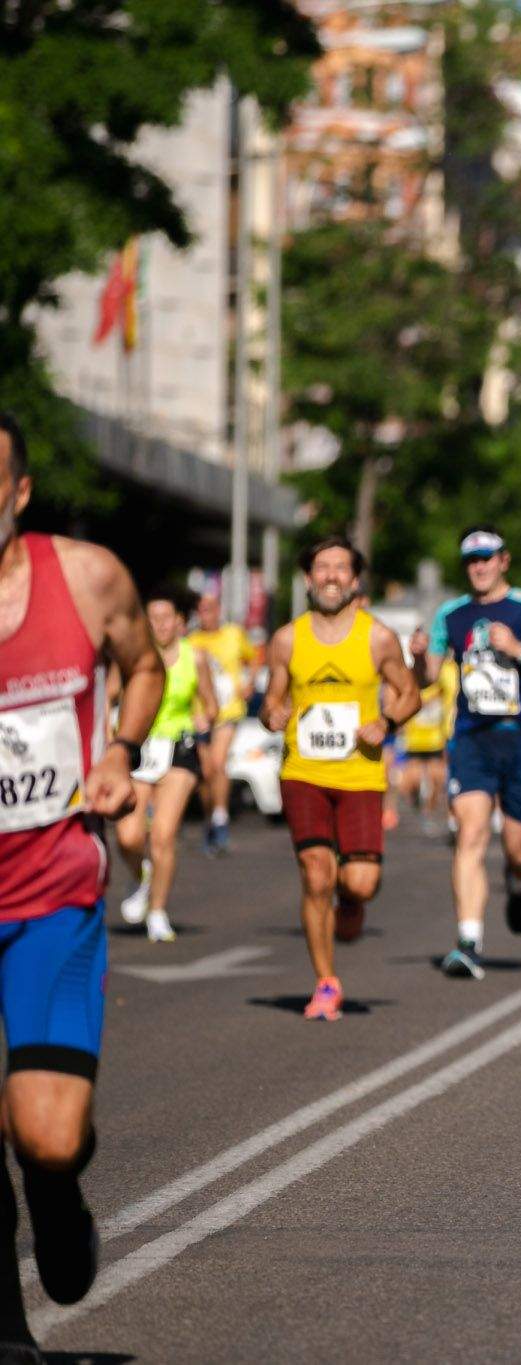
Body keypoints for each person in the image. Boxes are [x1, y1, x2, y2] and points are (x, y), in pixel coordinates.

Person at [0, 413, 165, 1352]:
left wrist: (120, 748)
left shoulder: (88, 576)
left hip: (52, 894)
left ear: (19, 493)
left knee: (48, 1137)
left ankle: (58, 1202)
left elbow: (144, 666)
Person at [261, 536, 419, 1020]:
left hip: (360, 774)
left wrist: (387, 723)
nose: (331, 576)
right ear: (308, 579)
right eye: (321, 568)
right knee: (315, 873)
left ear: (355, 579)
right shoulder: (288, 638)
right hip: (303, 771)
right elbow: (273, 700)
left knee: (361, 882)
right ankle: (326, 982)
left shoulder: (378, 637)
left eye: (340, 568)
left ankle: (352, 903)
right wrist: (274, 713)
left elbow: (409, 693)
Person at [422, 526, 521, 979]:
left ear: (504, 561)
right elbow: (428, 675)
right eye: (471, 561)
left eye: (487, 558)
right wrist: (415, 656)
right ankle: (468, 941)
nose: (479, 567)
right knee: (470, 834)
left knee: (518, 847)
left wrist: (518, 650)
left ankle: (519, 880)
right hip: (471, 738)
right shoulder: (451, 614)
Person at [115, 590, 220, 943]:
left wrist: (206, 718)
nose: (159, 625)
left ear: (180, 621)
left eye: (166, 617)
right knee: (128, 835)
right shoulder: (133, 657)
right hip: (140, 747)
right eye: (152, 618)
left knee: (162, 833)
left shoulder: (196, 657)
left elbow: (211, 704)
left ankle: (157, 911)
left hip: (179, 748)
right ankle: (141, 875)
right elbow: (109, 694)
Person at [186, 590, 259, 856]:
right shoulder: (192, 641)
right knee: (206, 772)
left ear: (219, 610)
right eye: (202, 609)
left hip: (229, 709)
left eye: (211, 608)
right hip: (201, 711)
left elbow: (253, 659)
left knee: (218, 761)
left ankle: (220, 818)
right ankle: (211, 817)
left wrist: (249, 683)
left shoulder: (234, 634)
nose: (207, 614)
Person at [393, 632, 453, 832]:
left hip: (436, 736)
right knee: (410, 782)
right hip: (414, 736)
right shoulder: (409, 673)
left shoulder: (444, 671)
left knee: (438, 779)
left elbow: (450, 695)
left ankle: (429, 811)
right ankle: (416, 803)